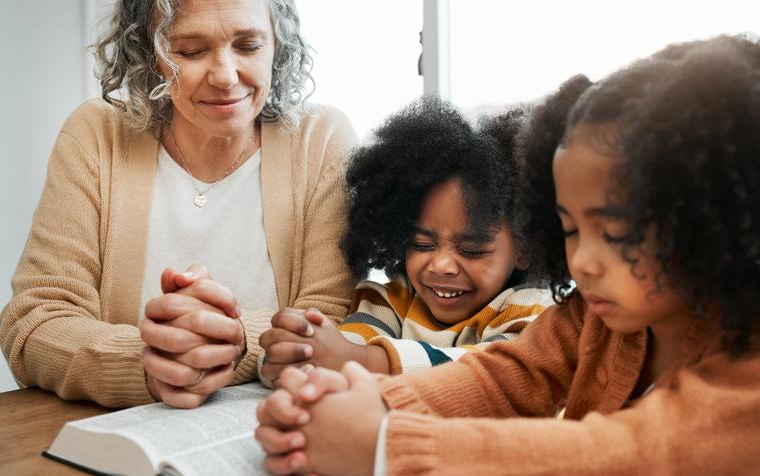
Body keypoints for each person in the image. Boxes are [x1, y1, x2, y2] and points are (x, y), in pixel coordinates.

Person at [254, 35, 760, 475]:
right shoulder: (592, 319)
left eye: (619, 234)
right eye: (569, 229)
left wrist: (386, 446)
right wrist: (365, 408)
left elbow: (632, 453)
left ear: (715, 221)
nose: (583, 261)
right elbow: (507, 376)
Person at [0, 0, 357, 409]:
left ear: (277, 46)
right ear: (147, 55)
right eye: (190, 50)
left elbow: (338, 317)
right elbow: (35, 322)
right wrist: (148, 363)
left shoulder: (320, 139)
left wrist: (238, 342)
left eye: (248, 45)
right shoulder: (95, 135)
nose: (226, 75)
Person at [258, 98, 552, 383]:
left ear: (524, 247)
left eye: (471, 250)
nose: (442, 265)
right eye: (422, 244)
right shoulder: (393, 300)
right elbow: (349, 344)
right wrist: (301, 352)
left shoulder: (531, 309)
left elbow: (491, 369)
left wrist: (366, 360)